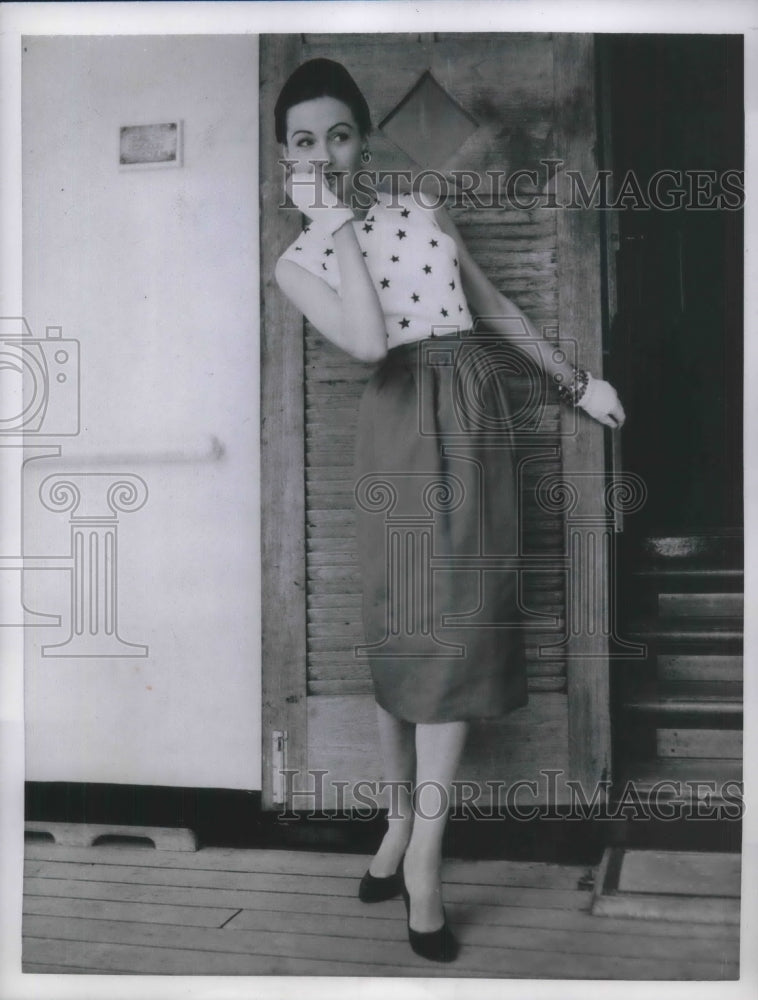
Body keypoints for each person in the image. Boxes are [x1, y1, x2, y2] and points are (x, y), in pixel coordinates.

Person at [273, 58, 625, 963]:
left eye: (341, 134)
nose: (328, 152)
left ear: (363, 137)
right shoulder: (297, 260)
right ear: (287, 155)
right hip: (398, 420)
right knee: (404, 630)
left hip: (474, 410)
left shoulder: (423, 208)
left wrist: (576, 384)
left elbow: (493, 302)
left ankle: (423, 851)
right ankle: (401, 826)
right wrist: (332, 222)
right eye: (306, 141)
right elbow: (364, 338)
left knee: (455, 632)